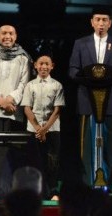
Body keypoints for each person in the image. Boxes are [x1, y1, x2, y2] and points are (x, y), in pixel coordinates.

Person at [68, 8, 112, 186]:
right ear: (91, 22)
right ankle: (87, 183)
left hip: (109, 103)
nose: (101, 23)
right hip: (87, 100)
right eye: (98, 20)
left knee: (107, 143)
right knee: (86, 145)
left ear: (110, 23)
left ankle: (105, 183)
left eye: (104, 20)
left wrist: (107, 79)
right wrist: (90, 79)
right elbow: (73, 70)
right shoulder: (80, 43)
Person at [21, 54, 65, 198]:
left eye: (47, 64)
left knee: (52, 161)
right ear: (35, 65)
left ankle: (52, 191)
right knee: (34, 160)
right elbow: (27, 108)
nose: (44, 67)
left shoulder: (57, 85)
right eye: (41, 63)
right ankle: (36, 192)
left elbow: (57, 110)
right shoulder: (30, 85)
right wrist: (38, 128)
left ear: (52, 66)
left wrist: (45, 129)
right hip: (33, 130)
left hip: (52, 130)